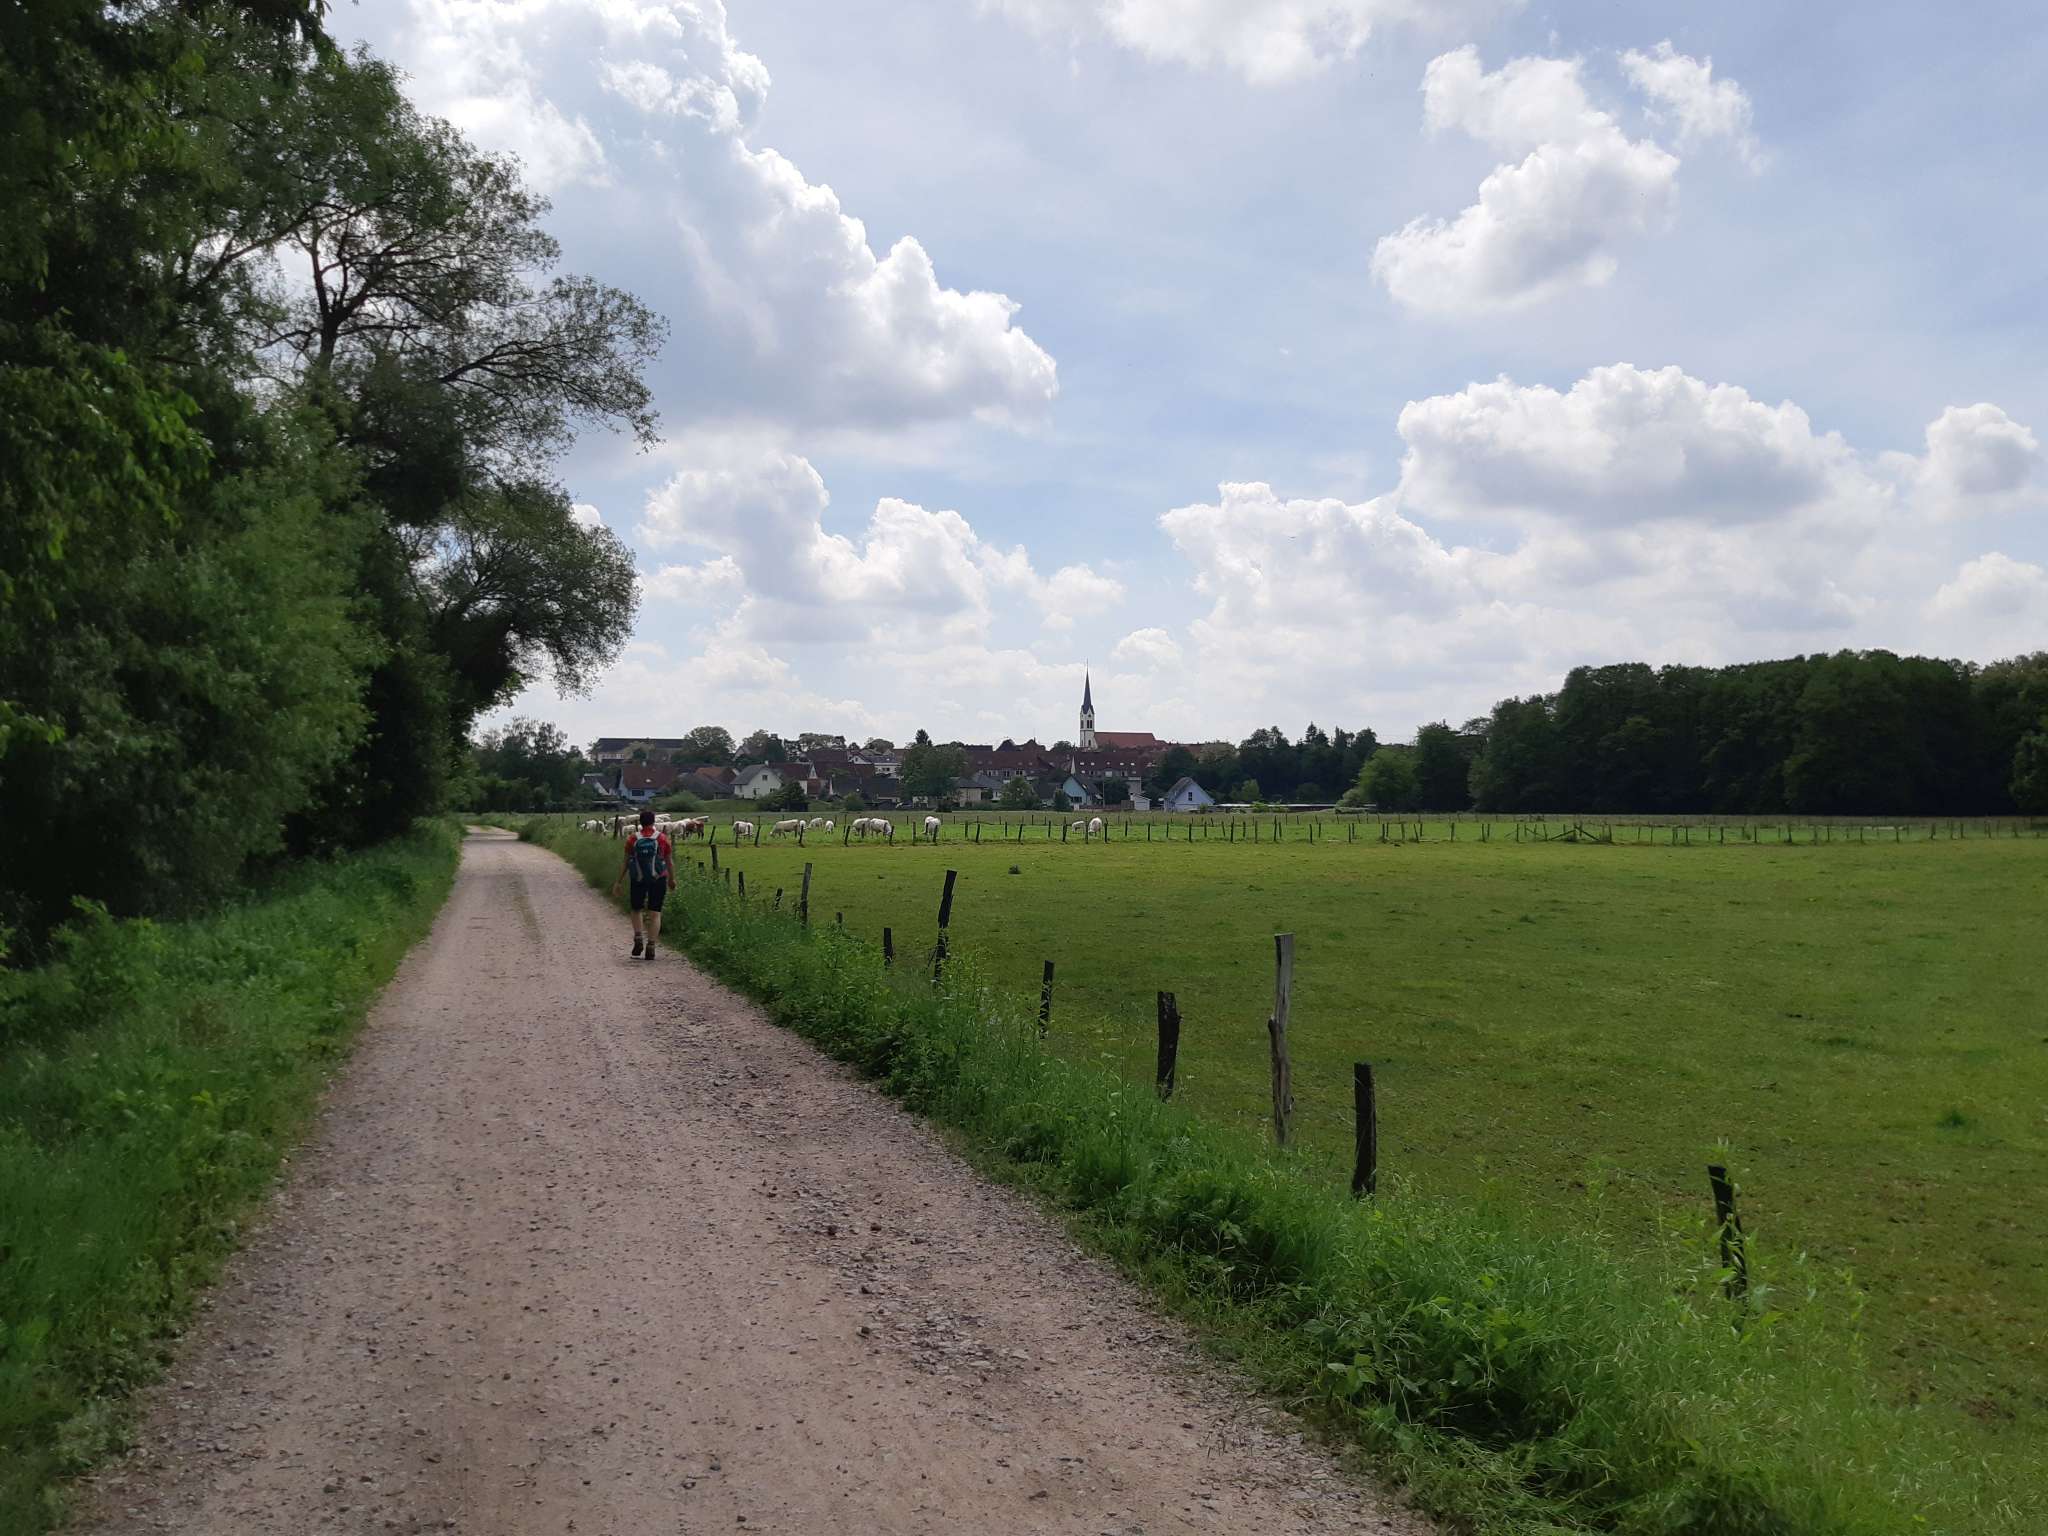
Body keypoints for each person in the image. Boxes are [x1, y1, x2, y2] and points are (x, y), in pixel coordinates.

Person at [608, 808, 674, 959]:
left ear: (640, 822)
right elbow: (669, 862)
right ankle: (651, 945)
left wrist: (618, 881)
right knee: (655, 913)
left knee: (636, 909)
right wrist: (672, 879)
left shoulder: (632, 839)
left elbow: (625, 862)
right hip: (658, 878)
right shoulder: (662, 838)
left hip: (638, 878)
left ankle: (638, 937)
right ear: (653, 821)